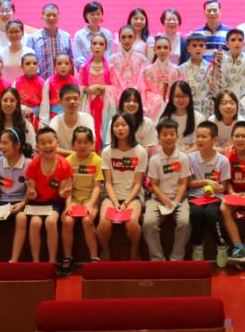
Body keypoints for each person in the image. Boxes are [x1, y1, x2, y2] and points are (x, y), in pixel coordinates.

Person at [98, 113, 147, 260]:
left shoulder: (140, 151)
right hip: (111, 195)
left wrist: (125, 203)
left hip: (133, 196)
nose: (120, 128)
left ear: (131, 127)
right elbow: (108, 182)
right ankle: (105, 252)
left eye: (124, 125)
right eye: (116, 125)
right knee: (104, 224)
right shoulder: (107, 152)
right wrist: (115, 202)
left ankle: (134, 252)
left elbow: (138, 183)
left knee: (131, 223)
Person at [0, 127, 33, 263]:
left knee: (21, 218)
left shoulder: (29, 164)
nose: (1, 146)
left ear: (17, 145)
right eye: (0, 142)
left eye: (5, 143)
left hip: (19, 202)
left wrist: (23, 203)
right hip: (2, 202)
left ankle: (13, 260)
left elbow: (29, 190)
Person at [143, 118, 192, 260]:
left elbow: (183, 183)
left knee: (185, 222)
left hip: (180, 199)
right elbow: (154, 185)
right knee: (148, 223)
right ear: (158, 138)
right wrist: (165, 200)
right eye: (164, 134)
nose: (168, 137)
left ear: (177, 136)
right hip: (158, 199)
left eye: (172, 134)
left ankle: (176, 258)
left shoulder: (183, 157)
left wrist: (175, 201)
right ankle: (157, 259)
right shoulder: (154, 160)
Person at [25, 126, 73, 267]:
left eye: (50, 142)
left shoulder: (65, 164)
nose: (47, 146)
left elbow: (62, 193)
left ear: (57, 143)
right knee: (34, 223)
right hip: (38, 203)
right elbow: (32, 192)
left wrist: (65, 197)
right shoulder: (33, 164)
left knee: (50, 222)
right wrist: (32, 193)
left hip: (55, 203)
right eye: (43, 143)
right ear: (37, 147)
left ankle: (52, 262)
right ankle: (36, 263)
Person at [187, 120, 232, 266]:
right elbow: (189, 183)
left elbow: (223, 187)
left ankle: (222, 246)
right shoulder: (190, 158)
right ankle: (197, 247)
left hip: (215, 197)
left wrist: (215, 188)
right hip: (195, 196)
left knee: (211, 215)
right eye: (198, 136)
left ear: (215, 140)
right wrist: (206, 182)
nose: (199, 140)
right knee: (196, 214)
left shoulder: (223, 161)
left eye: (204, 136)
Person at [62, 126, 102, 272]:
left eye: (86, 142)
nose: (82, 145)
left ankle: (94, 257)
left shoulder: (97, 160)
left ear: (92, 144)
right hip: (74, 198)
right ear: (73, 144)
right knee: (67, 221)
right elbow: (68, 187)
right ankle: (67, 258)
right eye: (78, 142)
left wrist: (90, 204)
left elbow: (98, 187)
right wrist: (68, 205)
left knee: (87, 220)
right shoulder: (68, 161)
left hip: (90, 198)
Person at [221, 120, 245, 264]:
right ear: (232, 138)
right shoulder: (227, 157)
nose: (240, 139)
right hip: (233, 193)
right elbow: (226, 181)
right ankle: (238, 247)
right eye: (237, 136)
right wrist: (233, 193)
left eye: (244, 136)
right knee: (224, 208)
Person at [78, 32, 113, 148]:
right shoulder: (84, 67)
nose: (98, 46)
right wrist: (87, 90)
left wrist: (100, 87)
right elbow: (79, 87)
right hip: (89, 105)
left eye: (101, 44)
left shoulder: (110, 67)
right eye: (95, 43)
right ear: (90, 47)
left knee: (104, 129)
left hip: (105, 105)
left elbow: (116, 89)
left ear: (106, 48)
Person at [216, 29, 245, 121]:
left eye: (240, 40)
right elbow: (216, 81)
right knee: (225, 124)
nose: (237, 43)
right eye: (233, 40)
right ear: (227, 44)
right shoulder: (220, 60)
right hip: (226, 100)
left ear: (244, 44)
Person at [108, 26, 149, 117]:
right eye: (123, 37)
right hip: (117, 96)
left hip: (137, 95)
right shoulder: (112, 60)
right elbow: (111, 82)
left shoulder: (142, 59)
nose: (127, 40)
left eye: (130, 37)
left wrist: (134, 93)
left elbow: (144, 82)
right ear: (119, 39)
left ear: (134, 38)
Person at [0, 87, 37, 157]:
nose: (8, 104)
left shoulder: (26, 125)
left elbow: (32, 148)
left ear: (17, 103)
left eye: (12, 101)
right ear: (0, 102)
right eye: (5, 100)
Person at [30, 3, 73, 81]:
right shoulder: (33, 38)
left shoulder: (66, 36)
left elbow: (71, 62)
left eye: (54, 15)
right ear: (42, 16)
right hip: (41, 83)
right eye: (48, 15)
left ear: (58, 17)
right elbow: (29, 62)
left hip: (63, 84)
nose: (51, 18)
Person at [49, 83, 96, 153]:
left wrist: (76, 155)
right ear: (60, 102)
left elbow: (92, 146)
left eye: (75, 98)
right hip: (63, 159)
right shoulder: (55, 121)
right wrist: (74, 155)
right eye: (67, 99)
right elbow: (52, 147)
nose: (72, 102)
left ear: (80, 100)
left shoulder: (87, 118)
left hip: (84, 158)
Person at [160, 80, 205, 152]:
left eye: (184, 96)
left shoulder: (199, 118)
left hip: (191, 155)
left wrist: (183, 156)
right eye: (177, 96)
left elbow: (199, 144)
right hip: (170, 155)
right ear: (171, 98)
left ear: (189, 97)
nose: (181, 100)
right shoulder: (164, 119)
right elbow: (160, 144)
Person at [143, 35, 180, 119]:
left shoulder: (177, 70)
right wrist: (159, 101)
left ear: (170, 49)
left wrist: (170, 101)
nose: (162, 50)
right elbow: (144, 92)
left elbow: (180, 91)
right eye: (159, 48)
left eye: (165, 47)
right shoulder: (147, 71)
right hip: (153, 108)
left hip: (172, 107)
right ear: (154, 50)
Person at [10, 53, 48, 131]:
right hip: (21, 116)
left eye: (35, 63)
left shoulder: (43, 83)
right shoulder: (16, 83)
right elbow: (14, 101)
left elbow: (45, 103)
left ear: (38, 66)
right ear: (22, 67)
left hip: (37, 117)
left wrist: (43, 122)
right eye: (28, 64)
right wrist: (23, 108)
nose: (32, 66)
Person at [178, 34, 213, 118]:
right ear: (188, 48)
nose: (198, 48)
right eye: (194, 45)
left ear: (205, 48)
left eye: (201, 45)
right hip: (187, 106)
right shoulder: (181, 69)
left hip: (204, 108)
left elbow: (214, 92)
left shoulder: (211, 68)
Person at [73, 1, 114, 69]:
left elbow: (110, 56)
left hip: (105, 72)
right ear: (86, 16)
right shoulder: (79, 35)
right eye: (92, 14)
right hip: (87, 72)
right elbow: (78, 59)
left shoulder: (107, 34)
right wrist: (90, 70)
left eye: (98, 14)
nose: (95, 17)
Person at [118, 88, 158, 152]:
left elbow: (149, 148)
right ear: (122, 103)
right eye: (128, 101)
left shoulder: (148, 123)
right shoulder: (114, 123)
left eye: (135, 101)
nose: (131, 104)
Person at [44, 53, 79, 118]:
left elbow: (78, 101)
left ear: (70, 66)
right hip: (54, 116)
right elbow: (45, 102)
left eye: (66, 63)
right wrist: (44, 120)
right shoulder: (49, 81)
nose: (63, 66)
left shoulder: (75, 81)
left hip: (72, 116)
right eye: (59, 64)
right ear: (54, 67)